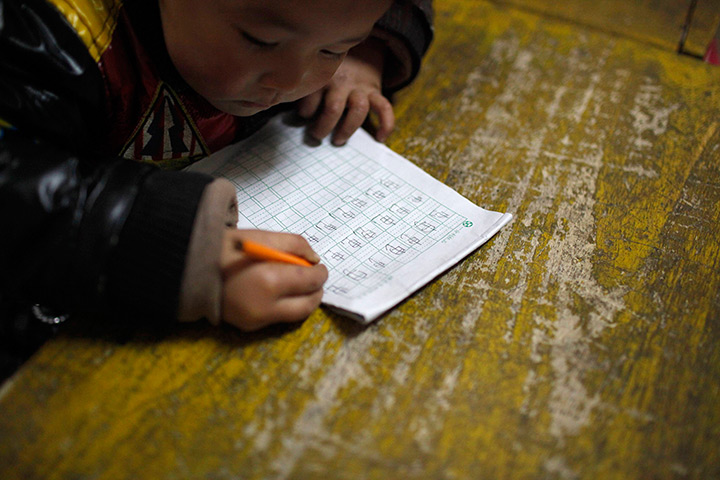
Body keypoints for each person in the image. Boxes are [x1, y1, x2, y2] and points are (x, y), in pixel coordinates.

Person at [0, 0, 434, 332]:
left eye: (332, 48)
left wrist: (369, 49)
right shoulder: (51, 35)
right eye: (261, 40)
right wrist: (167, 252)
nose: (290, 79)